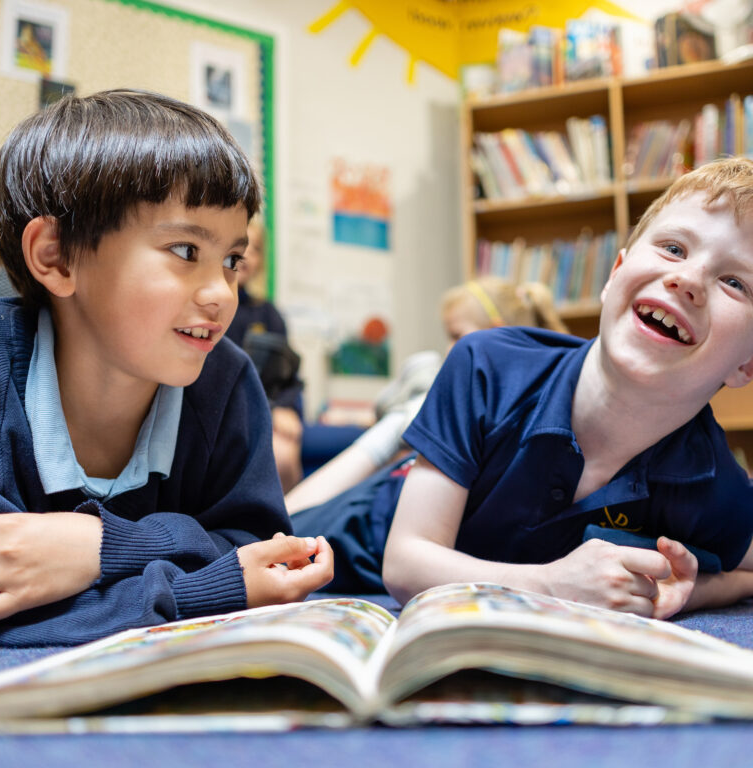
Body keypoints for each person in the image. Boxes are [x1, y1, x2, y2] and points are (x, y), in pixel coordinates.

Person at [295, 158, 753, 620]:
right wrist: (554, 584)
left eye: (734, 282)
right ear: (614, 274)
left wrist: (693, 591)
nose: (688, 280)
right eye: (673, 248)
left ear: (746, 364)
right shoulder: (486, 364)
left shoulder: (713, 482)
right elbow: (407, 561)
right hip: (354, 541)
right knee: (253, 539)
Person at [0, 89, 332, 647]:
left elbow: (255, 553)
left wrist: (100, 548)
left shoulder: (227, 381)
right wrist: (199, 588)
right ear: (55, 255)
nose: (221, 294)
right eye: (186, 251)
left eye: (232, 261)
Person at [287, 276, 569, 590]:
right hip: (379, 500)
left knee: (279, 539)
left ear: (495, 332)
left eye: (455, 335)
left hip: (368, 532)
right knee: (275, 533)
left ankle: (401, 417)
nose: (450, 347)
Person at [224, 220, 304, 493]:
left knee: (282, 456)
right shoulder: (210, 305)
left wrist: (284, 407)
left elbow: (289, 378)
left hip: (263, 412)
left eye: (254, 248)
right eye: (238, 246)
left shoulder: (267, 314)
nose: (245, 255)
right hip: (221, 414)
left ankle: (290, 521)